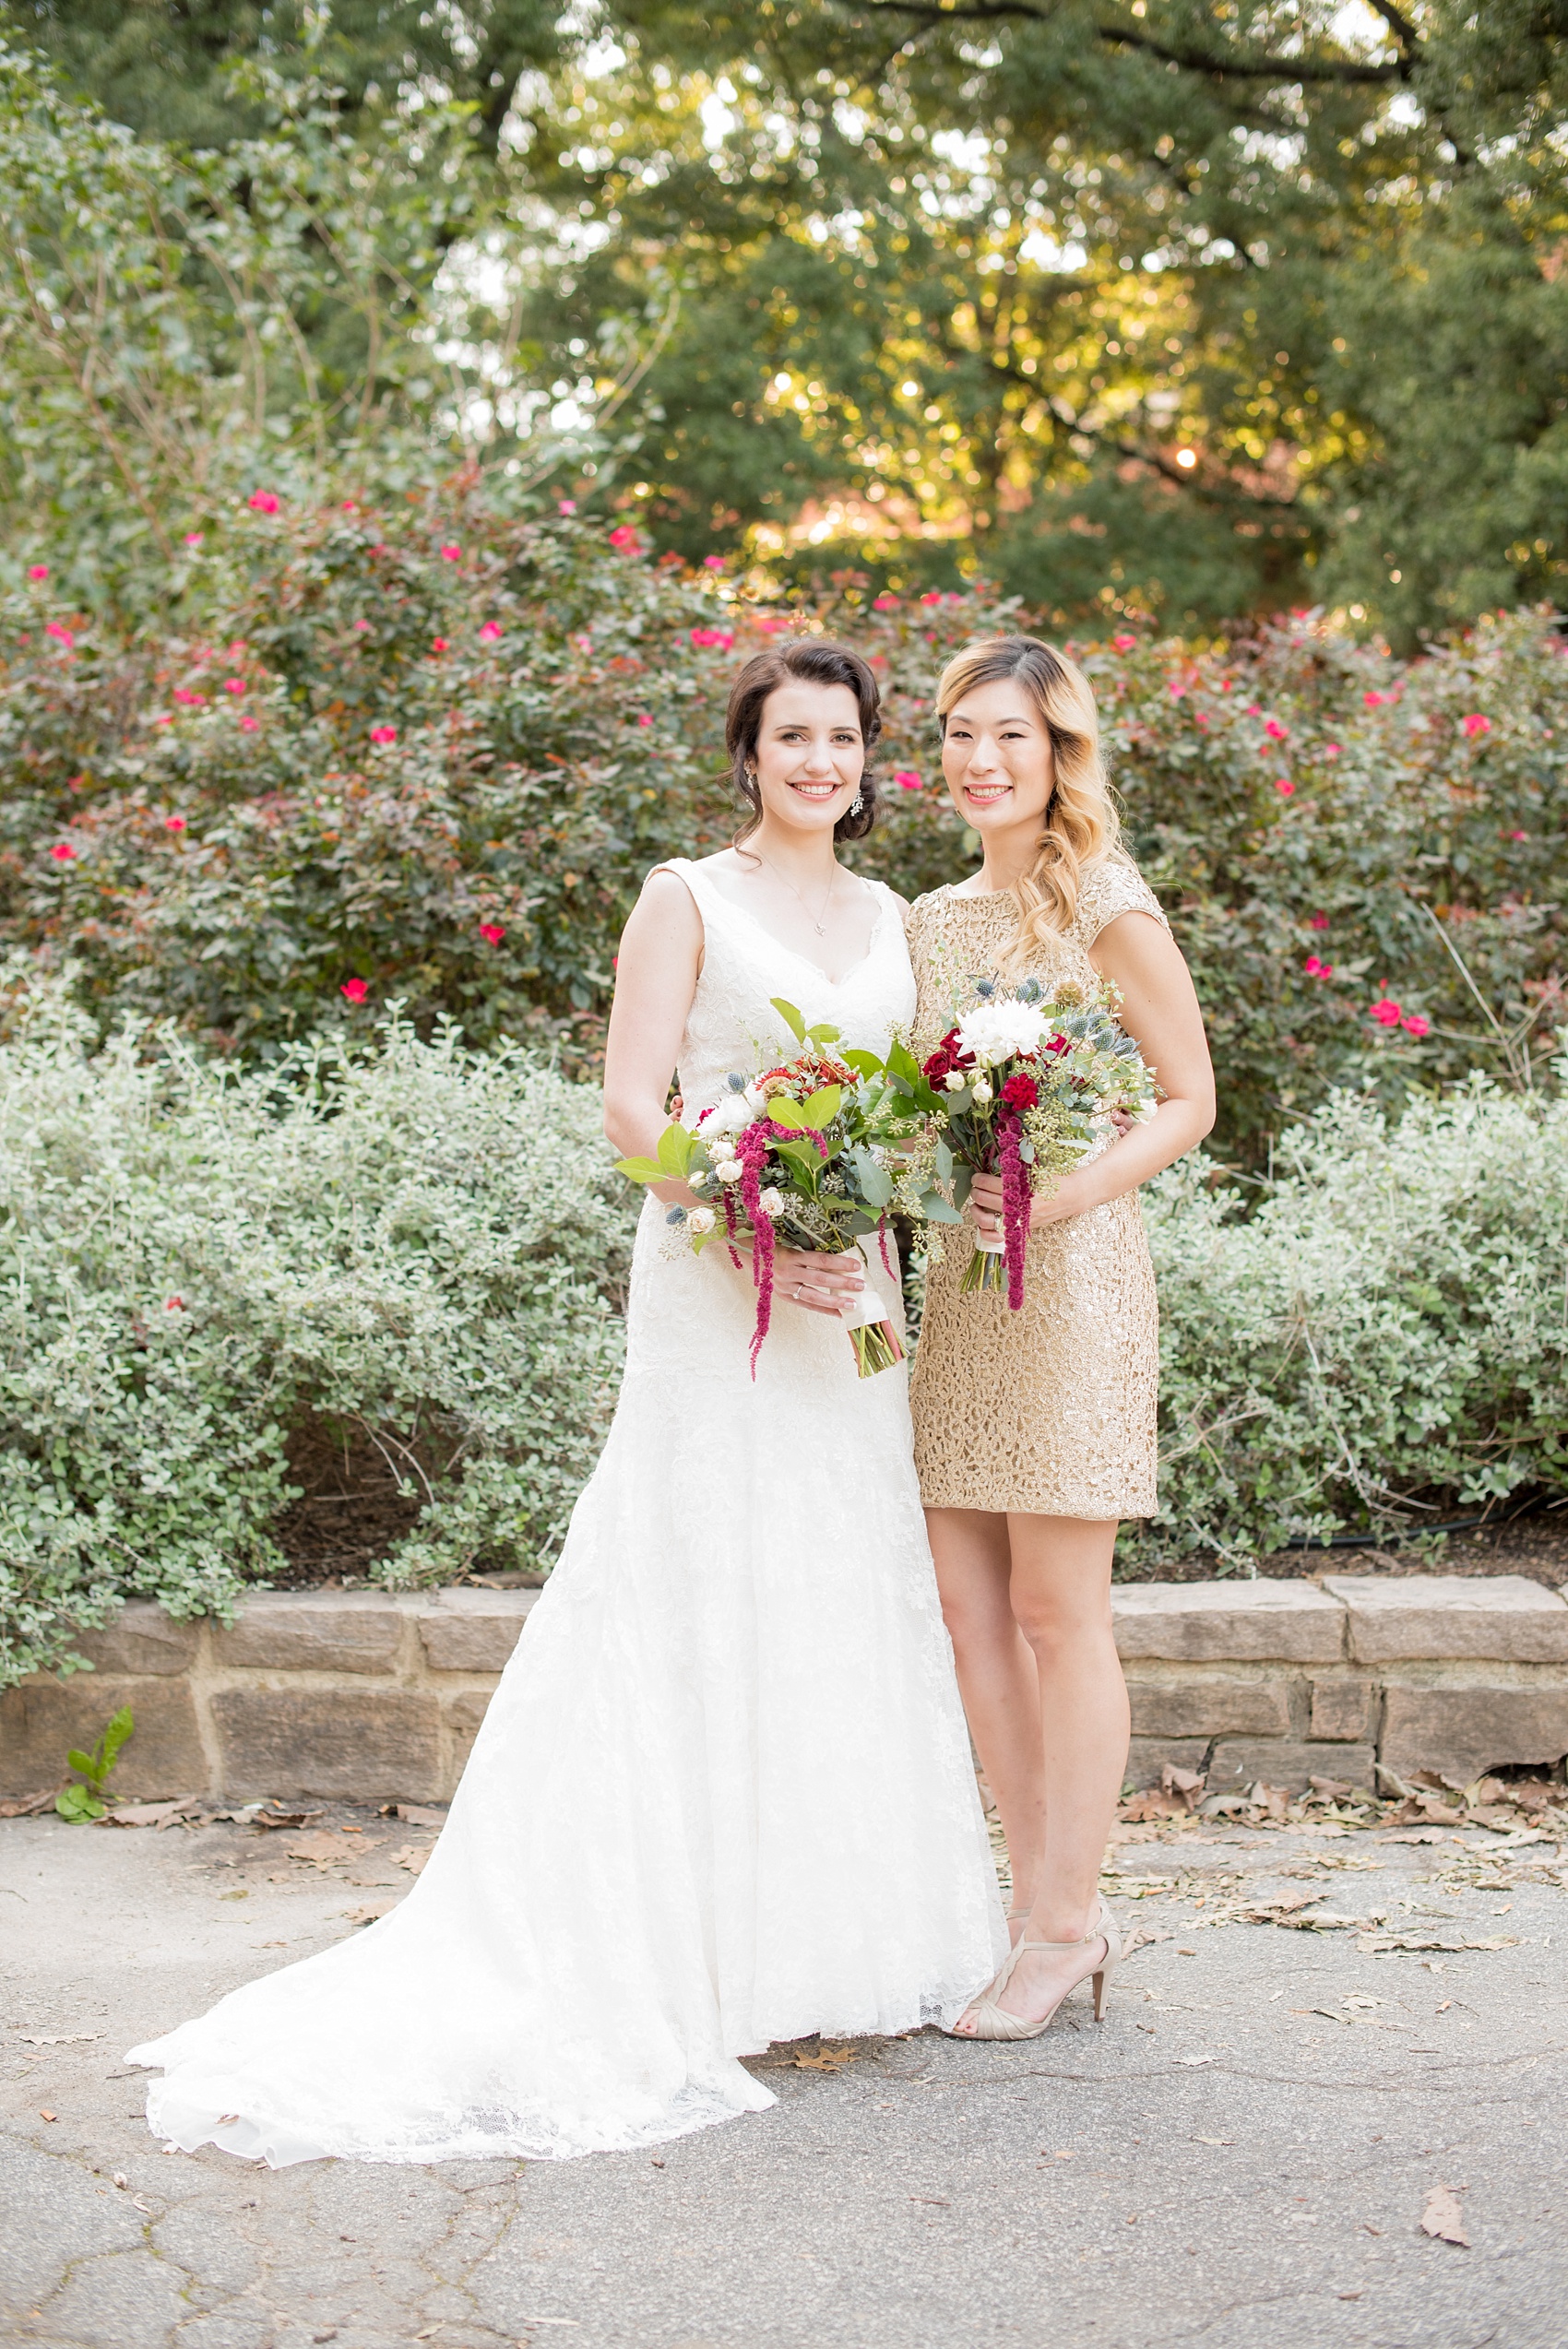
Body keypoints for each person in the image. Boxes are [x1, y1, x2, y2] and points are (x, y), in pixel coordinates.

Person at [126, 638, 1004, 2165]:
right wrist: (754, 1214)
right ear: (749, 754)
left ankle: (815, 1946)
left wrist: (884, 1207)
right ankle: (674, 1946)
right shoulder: (684, 897)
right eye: (791, 736)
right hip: (715, 1287)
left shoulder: (889, 916)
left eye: (844, 740)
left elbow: (904, 1112)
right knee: (695, 1579)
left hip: (849, 1301)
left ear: (871, 762)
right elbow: (629, 1111)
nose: (819, 762)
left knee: (834, 1583)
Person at [902, 634, 1216, 2041]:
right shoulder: (924, 918)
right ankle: (1033, 1905)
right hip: (964, 1294)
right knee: (969, 1616)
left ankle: (1067, 1925)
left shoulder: (1102, 901)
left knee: (1053, 1611)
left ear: (1058, 753)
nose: (981, 760)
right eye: (962, 735)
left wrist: (1071, 1190)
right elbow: (913, 1112)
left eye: (1010, 738)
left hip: (1076, 1281)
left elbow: (1189, 1092)